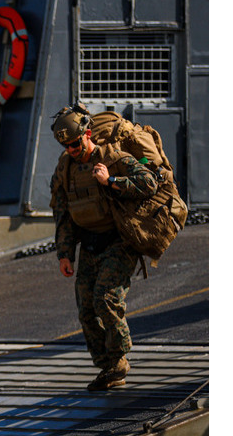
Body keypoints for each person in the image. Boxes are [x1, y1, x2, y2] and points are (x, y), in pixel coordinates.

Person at [49, 105, 158, 391]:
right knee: (86, 309)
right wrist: (64, 253)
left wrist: (110, 180)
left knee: (105, 299)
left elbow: (148, 182)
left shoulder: (111, 156)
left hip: (119, 240)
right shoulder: (66, 168)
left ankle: (119, 359)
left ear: (87, 134)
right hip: (90, 244)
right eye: (66, 145)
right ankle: (108, 368)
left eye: (75, 143)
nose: (71, 149)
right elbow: (62, 213)